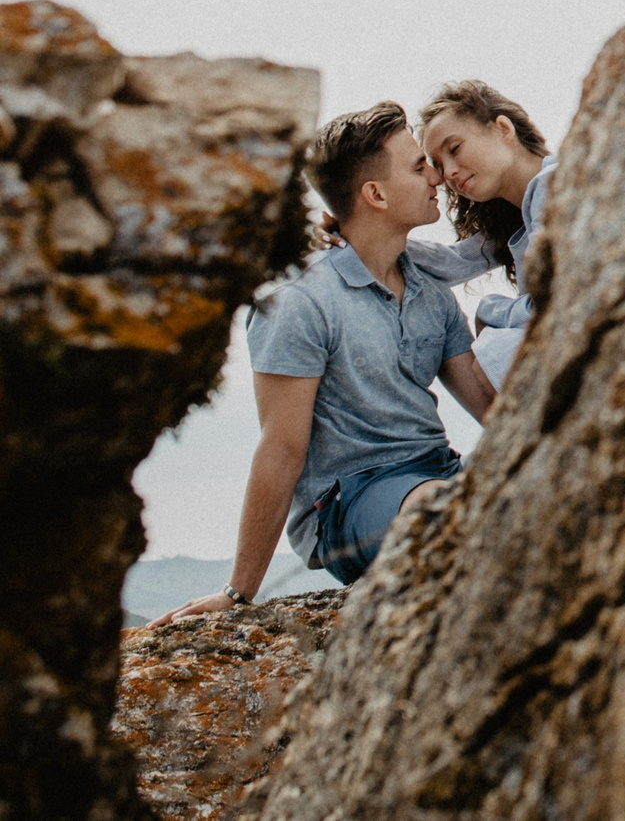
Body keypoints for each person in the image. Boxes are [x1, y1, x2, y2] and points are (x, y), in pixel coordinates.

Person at [152, 103, 496, 621]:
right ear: (374, 195)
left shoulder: (430, 290)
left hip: (437, 473)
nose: (437, 175)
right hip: (347, 504)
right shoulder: (298, 301)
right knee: (445, 512)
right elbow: (281, 450)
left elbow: (491, 408)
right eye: (418, 166)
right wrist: (239, 593)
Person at [413, 80, 556, 387]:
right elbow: (452, 263)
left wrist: (490, 311)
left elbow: (557, 303)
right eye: (439, 165)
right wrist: (359, 235)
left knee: (497, 352)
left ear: (503, 129)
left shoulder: (553, 184)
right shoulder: (516, 212)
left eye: (454, 149)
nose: (448, 172)